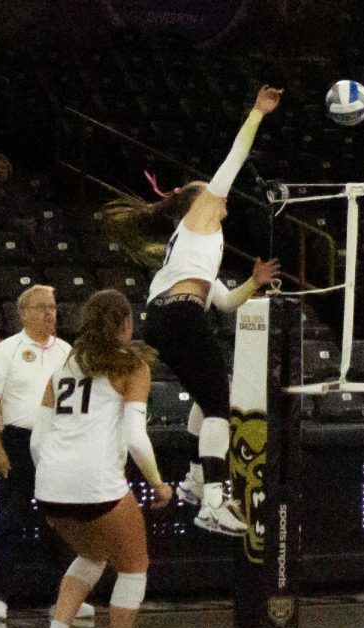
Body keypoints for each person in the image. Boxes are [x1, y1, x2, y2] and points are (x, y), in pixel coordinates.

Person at [101, 85, 283, 536]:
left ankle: (195, 479)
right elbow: (233, 161)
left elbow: (222, 300)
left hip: (169, 315)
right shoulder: (198, 216)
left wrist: (253, 283)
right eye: (209, 191)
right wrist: (257, 114)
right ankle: (215, 500)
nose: (220, 194)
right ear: (197, 200)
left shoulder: (198, 245)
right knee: (222, 402)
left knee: (209, 395)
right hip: (179, 315)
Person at [28, 289, 173, 628]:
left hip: (51, 485)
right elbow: (136, 439)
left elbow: (38, 441)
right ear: (127, 324)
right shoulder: (133, 366)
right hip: (97, 483)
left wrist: (58, 477)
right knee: (133, 567)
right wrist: (158, 483)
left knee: (92, 555)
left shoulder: (64, 367)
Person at [0, 284, 82, 622]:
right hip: (19, 441)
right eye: (41, 307)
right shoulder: (7, 350)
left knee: (59, 522)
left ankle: (61, 600)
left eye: (52, 306)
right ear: (23, 313)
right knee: (10, 518)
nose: (49, 313)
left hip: (56, 442)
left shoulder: (66, 351)